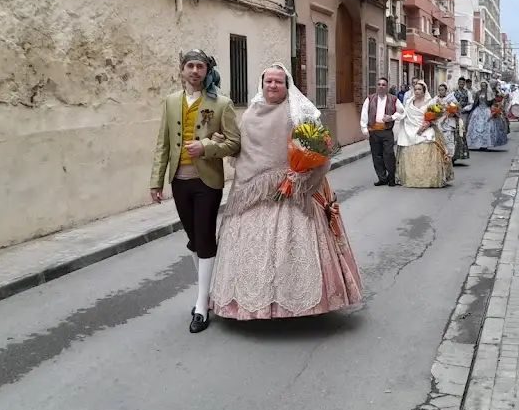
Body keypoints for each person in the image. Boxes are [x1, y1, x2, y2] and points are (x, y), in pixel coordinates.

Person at [208, 63, 363, 320]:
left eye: (278, 82)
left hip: (293, 189)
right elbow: (243, 149)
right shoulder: (250, 114)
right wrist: (222, 144)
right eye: (268, 81)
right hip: (253, 187)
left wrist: (301, 175)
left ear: (287, 85)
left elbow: (318, 147)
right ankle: (252, 304)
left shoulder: (299, 112)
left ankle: (300, 304)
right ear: (262, 83)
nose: (273, 86)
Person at [150, 49, 241, 334]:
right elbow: (162, 144)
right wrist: (156, 180)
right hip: (179, 180)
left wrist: (207, 147)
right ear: (182, 69)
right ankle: (210, 291)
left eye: (200, 66)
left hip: (207, 182)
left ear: (206, 70)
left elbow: (235, 144)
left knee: (204, 237)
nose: (194, 71)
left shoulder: (221, 103)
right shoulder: (171, 102)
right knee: (192, 238)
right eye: (190, 65)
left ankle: (202, 304)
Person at [392, 79, 453, 188]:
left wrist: (428, 124)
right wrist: (394, 117)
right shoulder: (409, 101)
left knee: (430, 143)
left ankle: (430, 179)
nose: (417, 91)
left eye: (419, 89)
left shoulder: (430, 103)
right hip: (411, 129)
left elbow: (436, 117)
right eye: (415, 89)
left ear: (424, 91)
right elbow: (404, 115)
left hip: (426, 129)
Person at [360, 76, 399, 186]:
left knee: (389, 154)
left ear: (387, 87)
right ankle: (382, 178)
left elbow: (402, 112)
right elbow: (364, 114)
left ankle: (391, 177)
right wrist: (364, 130)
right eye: (379, 84)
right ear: (376, 86)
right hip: (373, 131)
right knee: (376, 155)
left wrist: (392, 117)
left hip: (386, 131)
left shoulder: (394, 99)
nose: (381, 87)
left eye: (383, 85)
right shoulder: (370, 99)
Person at [466, 81, 508, 151]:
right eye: (481, 85)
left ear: (486, 86)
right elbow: (476, 102)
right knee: (476, 127)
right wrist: (472, 109)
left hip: (486, 110)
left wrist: (494, 110)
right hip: (478, 110)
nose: (483, 87)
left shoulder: (490, 93)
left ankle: (485, 144)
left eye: (484, 86)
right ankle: (478, 143)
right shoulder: (478, 93)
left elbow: (493, 102)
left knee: (487, 127)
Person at [433, 83, 460, 165]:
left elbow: (456, 109)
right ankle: (440, 157)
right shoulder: (435, 99)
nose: (441, 92)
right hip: (439, 121)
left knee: (449, 140)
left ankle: (450, 156)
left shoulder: (451, 98)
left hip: (448, 122)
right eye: (439, 90)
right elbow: (431, 109)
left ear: (445, 91)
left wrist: (451, 112)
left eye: (442, 90)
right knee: (439, 140)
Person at [452, 78, 471, 162]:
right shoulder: (454, 92)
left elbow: (471, 102)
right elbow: (450, 102)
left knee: (462, 131)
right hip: (455, 114)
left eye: (463, 83)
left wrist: (465, 109)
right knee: (455, 131)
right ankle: (454, 151)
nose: (461, 84)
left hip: (463, 113)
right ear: (458, 83)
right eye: (460, 83)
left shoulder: (468, 92)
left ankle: (461, 151)